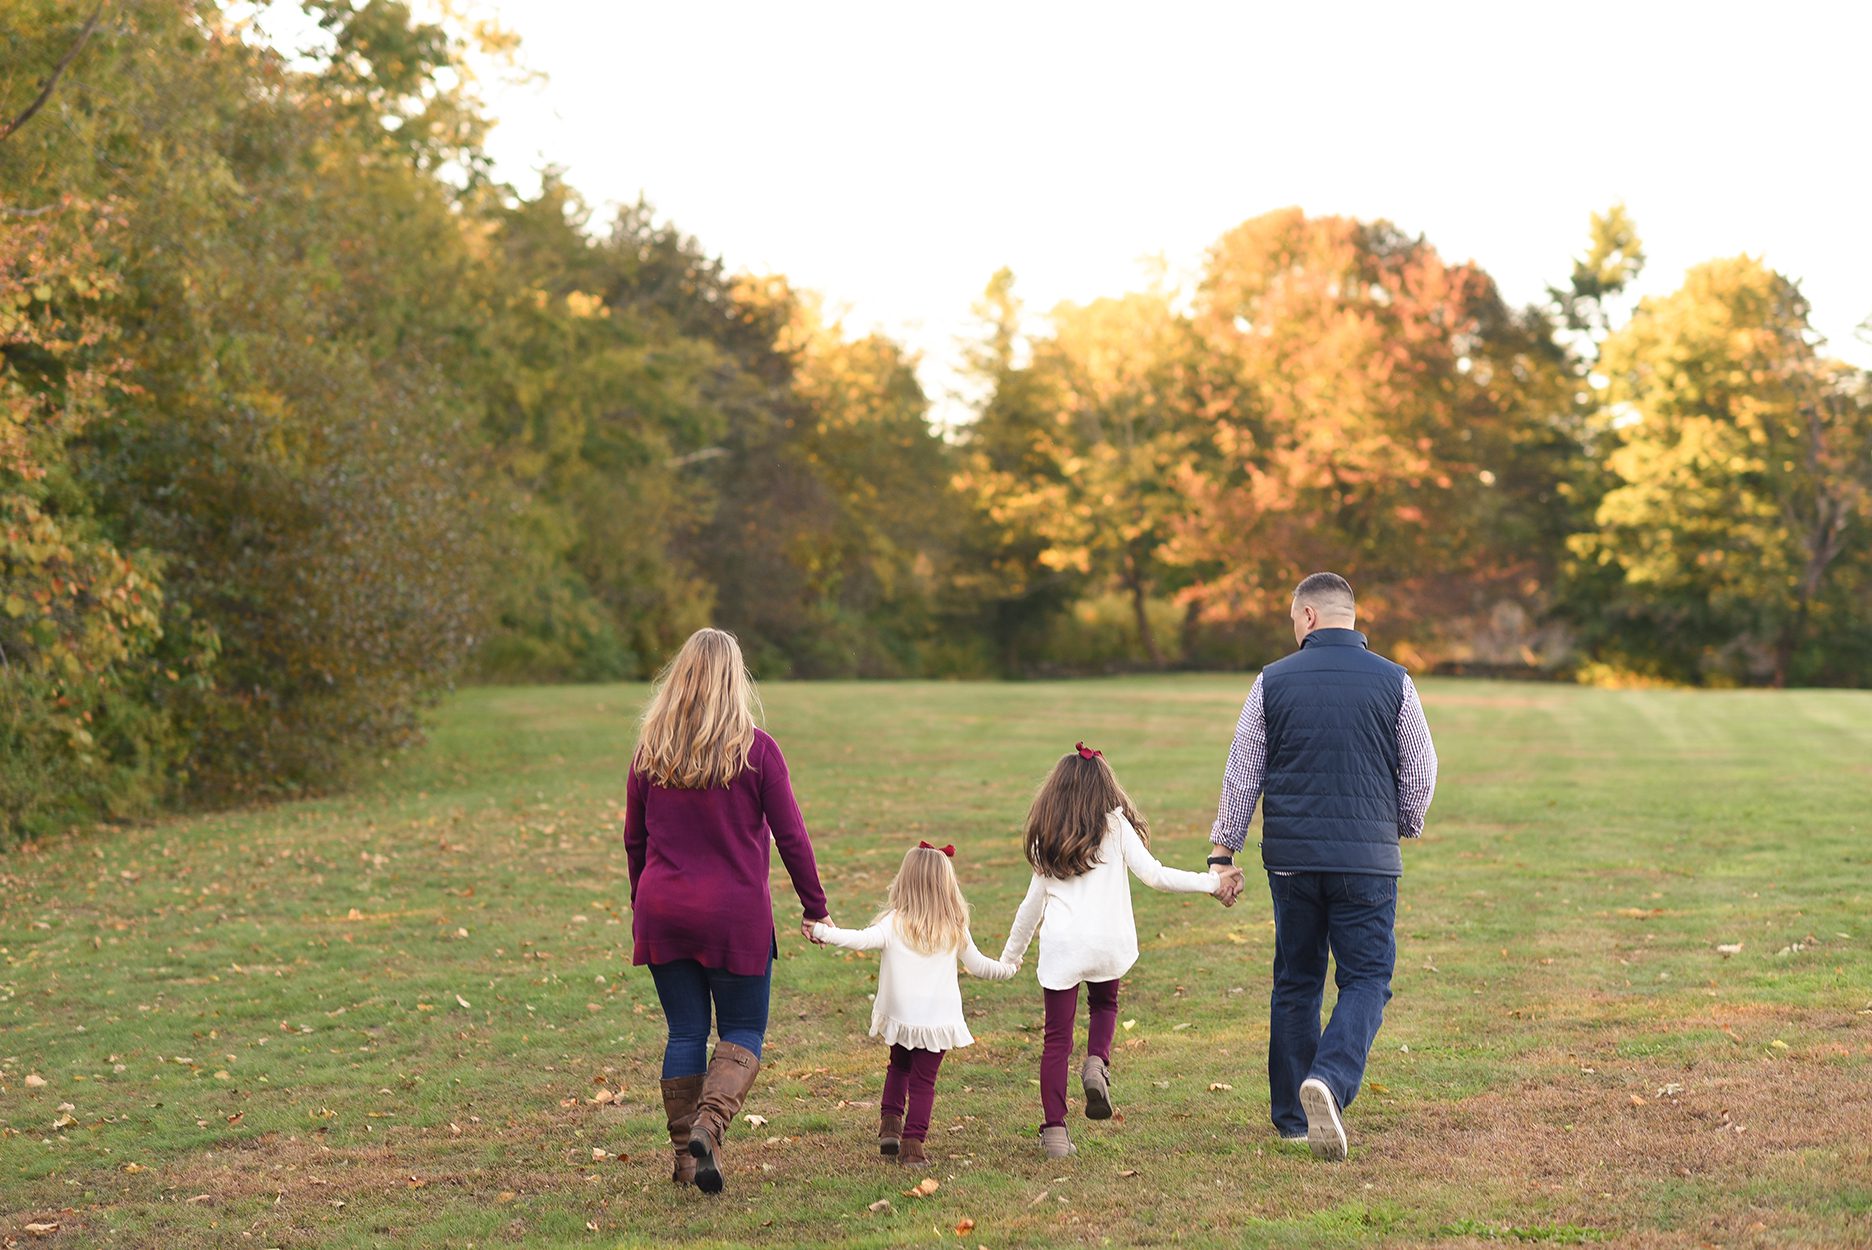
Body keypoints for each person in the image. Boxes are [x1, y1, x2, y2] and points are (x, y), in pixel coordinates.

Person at [1207, 572, 1437, 1161]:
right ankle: (1330, 1081)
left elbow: (1243, 769)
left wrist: (1222, 849)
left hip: (1292, 862)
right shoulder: (1396, 681)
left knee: (1297, 981)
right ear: (1348, 617)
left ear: (1308, 616)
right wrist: (1402, 824)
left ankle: (1292, 1118)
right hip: (1367, 861)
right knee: (1366, 979)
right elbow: (1420, 766)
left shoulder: (1272, 681)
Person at [623, 627, 832, 1194]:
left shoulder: (651, 751)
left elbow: (633, 842)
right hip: (733, 913)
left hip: (663, 908)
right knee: (742, 1027)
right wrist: (816, 907)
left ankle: (684, 1160)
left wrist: (644, 902)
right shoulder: (755, 749)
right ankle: (709, 1130)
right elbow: (792, 836)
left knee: (684, 1030)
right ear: (734, 681)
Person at [999, 743, 1231, 1159]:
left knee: (1056, 1039)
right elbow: (1156, 876)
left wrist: (1011, 955)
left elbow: (1029, 908)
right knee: (1104, 1006)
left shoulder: (1046, 839)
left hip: (1063, 950)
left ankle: (1054, 1130)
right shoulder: (1117, 827)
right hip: (1108, 944)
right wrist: (1212, 883)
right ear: (1105, 787)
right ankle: (1096, 1063)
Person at [808, 842, 1015, 1166]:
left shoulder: (894, 922)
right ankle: (913, 1145)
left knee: (899, 1066)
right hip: (936, 1020)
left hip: (901, 1014)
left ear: (905, 881)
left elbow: (860, 939)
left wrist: (822, 930)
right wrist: (1009, 968)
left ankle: (890, 1126)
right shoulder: (954, 926)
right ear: (947, 885)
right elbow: (979, 966)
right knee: (924, 1083)